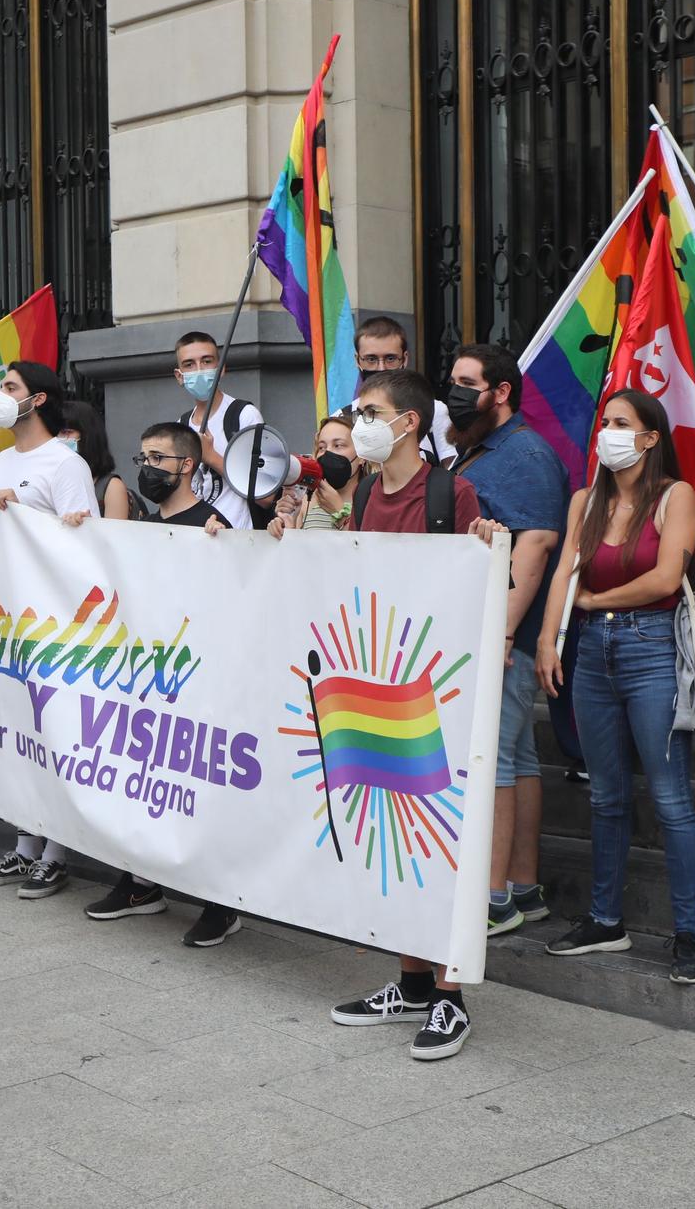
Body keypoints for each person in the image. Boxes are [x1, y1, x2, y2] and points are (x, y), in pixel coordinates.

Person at [271, 370, 505, 1062]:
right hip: (375, 683)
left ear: (407, 424)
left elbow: (480, 578)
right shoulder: (368, 491)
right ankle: (409, 980)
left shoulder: (450, 492)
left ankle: (450, 997)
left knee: (436, 840)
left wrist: (488, 542)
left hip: (431, 695)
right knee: (389, 835)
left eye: (371, 412)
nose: (360, 422)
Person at [534, 390, 695, 983]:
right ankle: (606, 921)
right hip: (591, 655)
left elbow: (665, 578)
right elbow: (562, 573)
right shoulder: (586, 499)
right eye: (604, 422)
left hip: (652, 647)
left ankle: (688, 934)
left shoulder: (673, 496)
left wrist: (594, 601)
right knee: (605, 796)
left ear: (650, 438)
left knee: (671, 798)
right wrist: (547, 640)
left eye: (621, 424)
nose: (606, 431)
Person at [80, 422, 240, 948]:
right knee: (143, 780)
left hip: (199, 681)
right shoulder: (141, 525)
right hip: (145, 680)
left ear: (187, 466)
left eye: (158, 458)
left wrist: (230, 549)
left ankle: (219, 903)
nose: (146, 467)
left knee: (200, 791)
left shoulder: (215, 525)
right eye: (142, 455)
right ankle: (140, 883)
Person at [0, 361, 96, 898]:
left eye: (10, 388)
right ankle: (24, 845)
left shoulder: (64, 464)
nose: (0, 397)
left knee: (51, 732)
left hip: (51, 623)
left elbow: (85, 544)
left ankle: (56, 853)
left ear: (39, 400)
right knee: (19, 733)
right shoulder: (3, 459)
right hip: (7, 621)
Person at [446, 344, 567, 936]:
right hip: (493, 636)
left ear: (501, 392)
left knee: (494, 760)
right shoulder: (474, 453)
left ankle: (492, 898)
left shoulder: (525, 454)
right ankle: (521, 887)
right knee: (515, 758)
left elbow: (536, 547)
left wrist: (504, 632)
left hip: (503, 639)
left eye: (468, 382)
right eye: (452, 381)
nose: (456, 392)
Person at [172, 330, 263, 529]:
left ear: (221, 368)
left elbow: (265, 493)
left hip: (237, 538)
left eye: (206, 361)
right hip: (196, 538)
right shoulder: (182, 424)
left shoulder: (243, 416)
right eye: (189, 364)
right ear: (179, 376)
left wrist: (211, 456)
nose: (199, 370)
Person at [339, 317, 455, 465]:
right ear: (357, 360)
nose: (381, 368)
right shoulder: (344, 416)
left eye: (390, 358)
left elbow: (450, 468)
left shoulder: (434, 410)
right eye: (371, 359)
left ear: (404, 359)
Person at [60, 399, 135, 520]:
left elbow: (115, 537)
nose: (59, 438)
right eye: (55, 433)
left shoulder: (111, 487)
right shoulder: (53, 477)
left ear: (88, 436)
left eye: (66, 432)